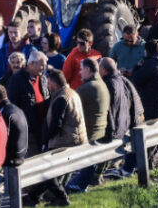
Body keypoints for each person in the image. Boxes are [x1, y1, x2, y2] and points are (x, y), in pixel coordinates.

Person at [41, 69, 86, 206]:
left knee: (49, 173)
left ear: (54, 84)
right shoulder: (72, 93)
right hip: (76, 138)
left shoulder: (61, 98)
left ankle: (60, 197)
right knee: (63, 174)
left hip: (63, 141)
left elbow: (56, 124)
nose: (47, 86)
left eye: (48, 83)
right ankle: (58, 197)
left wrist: (46, 140)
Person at [67, 57, 110, 192]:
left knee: (87, 159)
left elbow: (70, 107)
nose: (79, 73)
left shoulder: (88, 88)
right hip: (100, 129)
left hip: (90, 131)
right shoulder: (102, 84)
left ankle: (79, 185)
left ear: (88, 70)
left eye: (81, 70)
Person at [6, 49, 50, 156]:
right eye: (42, 65)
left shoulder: (42, 78)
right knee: (32, 159)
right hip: (28, 130)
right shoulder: (16, 79)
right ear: (32, 64)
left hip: (43, 127)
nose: (44, 68)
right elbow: (12, 106)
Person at [0, 84, 27, 167]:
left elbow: (1, 140)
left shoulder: (3, 113)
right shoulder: (17, 109)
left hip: (11, 159)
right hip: (22, 154)